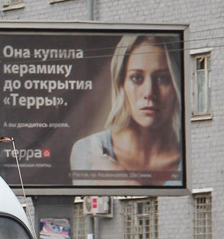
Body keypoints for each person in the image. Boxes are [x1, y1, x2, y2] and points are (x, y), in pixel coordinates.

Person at [69, 34, 183, 187]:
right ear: (121, 84)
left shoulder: (187, 157)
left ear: (176, 85)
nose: (149, 92)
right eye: (136, 78)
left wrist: (125, 181)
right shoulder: (90, 151)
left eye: (162, 78)